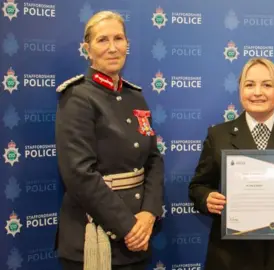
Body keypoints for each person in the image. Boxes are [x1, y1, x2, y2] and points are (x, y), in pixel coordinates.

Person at [188, 57, 274, 270]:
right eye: (249, 84)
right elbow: (197, 187)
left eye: (267, 85)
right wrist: (207, 198)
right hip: (231, 256)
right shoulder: (218, 135)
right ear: (240, 91)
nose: (258, 92)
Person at [55, 11, 164, 270]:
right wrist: (128, 227)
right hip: (94, 239)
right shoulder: (77, 98)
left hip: (139, 237)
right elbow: (78, 174)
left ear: (128, 44)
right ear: (87, 49)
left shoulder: (135, 97)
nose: (113, 48)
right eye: (103, 40)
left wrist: (148, 214)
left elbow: (153, 159)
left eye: (119, 38)